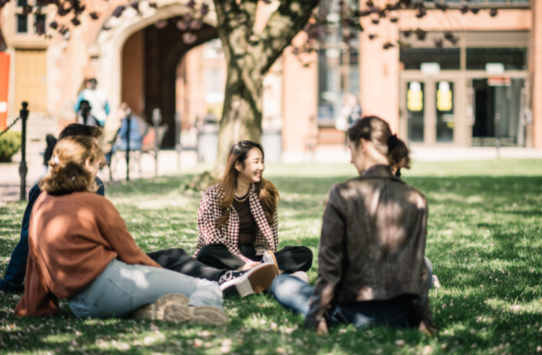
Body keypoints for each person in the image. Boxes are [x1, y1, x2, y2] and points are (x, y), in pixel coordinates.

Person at [1, 124, 278, 299]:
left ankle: (232, 273)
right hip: (100, 278)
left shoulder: (67, 192)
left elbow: (36, 244)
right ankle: (229, 279)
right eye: (97, 154)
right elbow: (30, 241)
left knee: (175, 255)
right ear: (83, 158)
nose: (103, 160)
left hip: (86, 279)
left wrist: (31, 299)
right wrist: (13, 282)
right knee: (194, 279)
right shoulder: (86, 195)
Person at [14, 136, 230, 323]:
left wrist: (34, 306)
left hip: (79, 306)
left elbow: (36, 261)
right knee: (206, 287)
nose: (99, 170)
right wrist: (161, 275)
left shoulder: (41, 204)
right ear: (87, 163)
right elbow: (132, 256)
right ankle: (192, 315)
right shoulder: (95, 204)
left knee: (146, 296)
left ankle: (157, 311)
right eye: (98, 164)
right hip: (110, 286)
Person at [270, 116, 436, 334]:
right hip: (400, 314)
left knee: (281, 283)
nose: (350, 159)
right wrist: (422, 318)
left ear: (364, 146)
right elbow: (418, 268)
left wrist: (318, 315)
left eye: (351, 150)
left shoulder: (342, 193)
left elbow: (330, 265)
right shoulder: (417, 198)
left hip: (351, 310)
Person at [0, 124, 105, 294]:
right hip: (58, 273)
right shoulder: (45, 189)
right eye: (94, 152)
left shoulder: (96, 185)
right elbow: (29, 238)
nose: (100, 158)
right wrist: (12, 281)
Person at [194, 141, 313, 278]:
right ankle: (257, 272)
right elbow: (211, 239)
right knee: (207, 252)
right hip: (225, 254)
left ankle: (256, 274)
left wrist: (258, 261)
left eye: (262, 161)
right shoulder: (213, 195)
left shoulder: (265, 194)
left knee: (304, 253)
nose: (261, 167)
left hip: (256, 255)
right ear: (238, 165)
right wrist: (246, 263)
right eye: (255, 162)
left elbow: (269, 243)